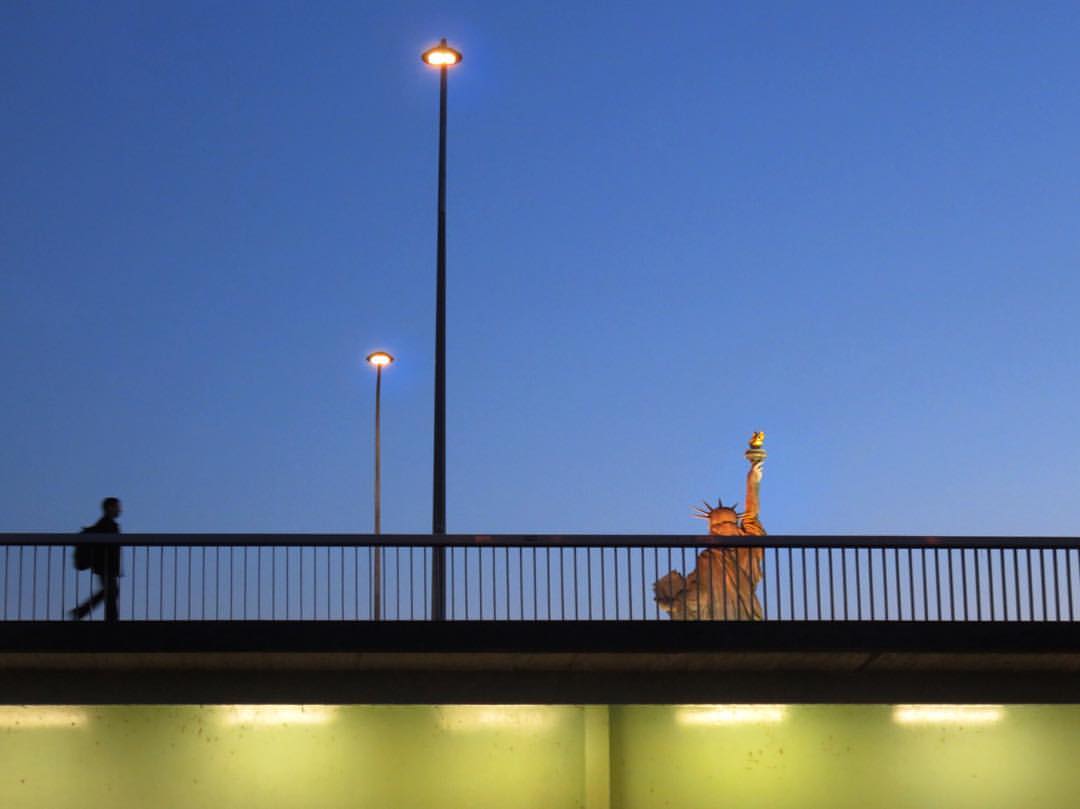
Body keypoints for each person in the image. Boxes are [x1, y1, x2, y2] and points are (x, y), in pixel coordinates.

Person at [654, 437, 766, 620]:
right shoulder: (750, 547)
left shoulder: (710, 557)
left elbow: (698, 596)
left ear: (712, 528)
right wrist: (752, 481)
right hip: (748, 620)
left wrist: (674, 603)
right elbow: (752, 515)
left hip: (715, 628)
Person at [71, 497, 122, 622]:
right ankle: (108, 619)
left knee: (111, 591)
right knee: (111, 591)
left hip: (104, 565)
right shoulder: (106, 525)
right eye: (117, 507)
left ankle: (82, 611)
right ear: (109, 508)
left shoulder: (106, 524)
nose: (119, 510)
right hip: (105, 564)